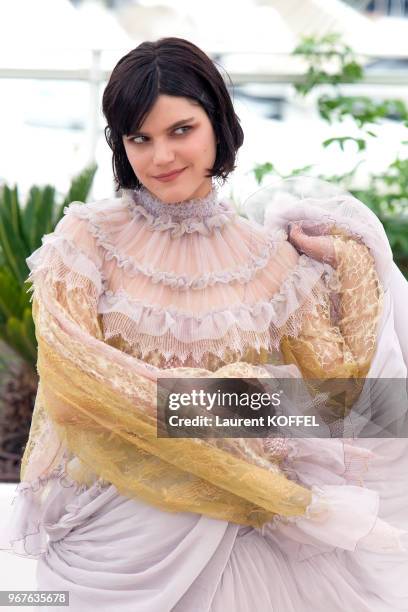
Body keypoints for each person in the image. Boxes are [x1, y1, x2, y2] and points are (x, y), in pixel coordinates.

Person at [1, 37, 408, 612]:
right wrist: (225, 407)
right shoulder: (86, 241)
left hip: (244, 515)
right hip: (125, 519)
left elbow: (341, 397)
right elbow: (76, 389)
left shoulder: (274, 260)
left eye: (180, 131)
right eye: (139, 138)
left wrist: (353, 264)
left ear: (218, 122)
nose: (160, 157)